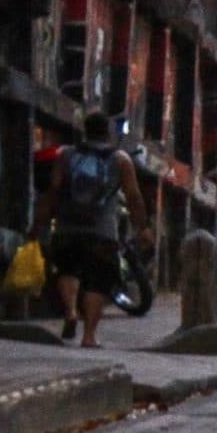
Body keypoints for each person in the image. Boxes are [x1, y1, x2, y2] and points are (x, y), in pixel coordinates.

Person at [33, 110, 151, 349]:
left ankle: (70, 311)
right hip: (102, 232)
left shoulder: (65, 155)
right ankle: (89, 336)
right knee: (98, 281)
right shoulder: (121, 160)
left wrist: (40, 222)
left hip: (67, 227)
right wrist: (143, 228)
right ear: (108, 132)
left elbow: (53, 191)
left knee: (68, 270)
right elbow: (134, 197)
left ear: (84, 131)